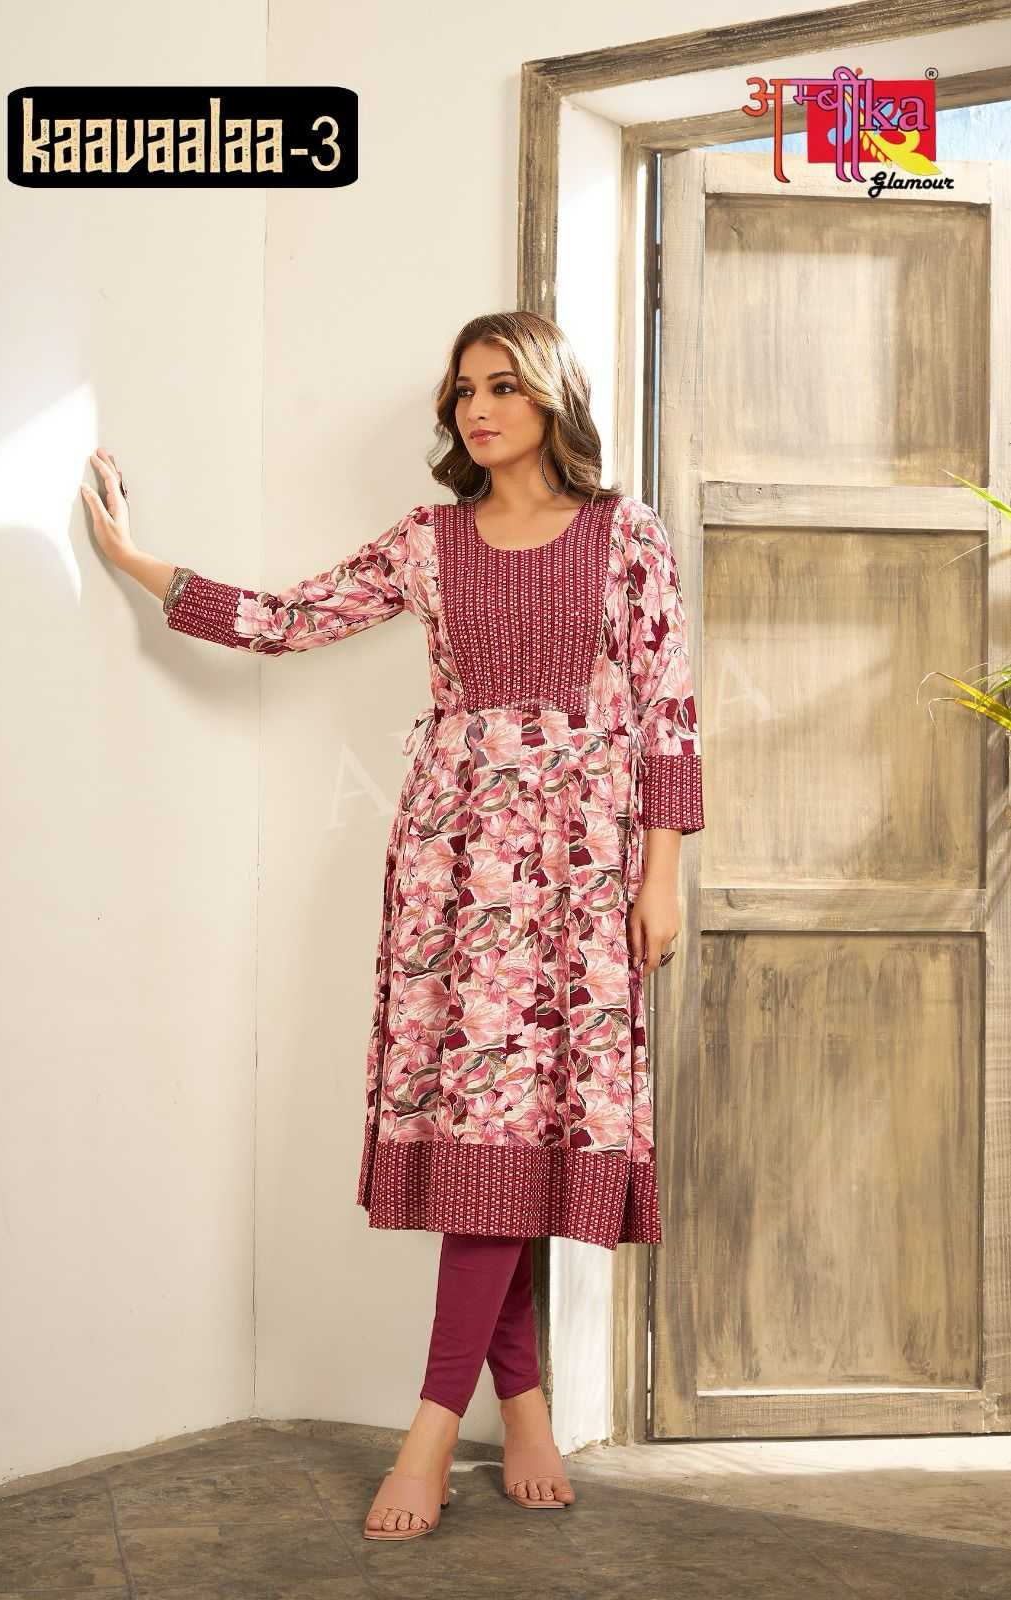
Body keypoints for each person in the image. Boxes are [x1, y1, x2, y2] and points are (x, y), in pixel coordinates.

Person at [80, 309, 705, 1543]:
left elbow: (667, 711)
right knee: (485, 1134)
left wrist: (663, 875)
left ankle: (435, 1426)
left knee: (521, 1132)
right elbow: (286, 619)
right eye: (464, 391)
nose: (479, 409)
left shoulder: (626, 535)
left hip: (582, 870)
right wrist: (141, 563)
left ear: (552, 398)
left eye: (504, 386)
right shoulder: (428, 541)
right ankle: (513, 1407)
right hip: (453, 866)